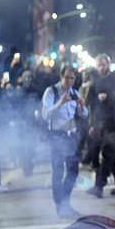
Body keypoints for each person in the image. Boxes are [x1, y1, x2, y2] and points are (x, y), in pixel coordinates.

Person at [41, 65, 88, 218]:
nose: (69, 81)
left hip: (71, 136)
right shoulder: (52, 92)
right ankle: (60, 206)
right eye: (66, 78)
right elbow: (45, 115)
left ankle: (65, 202)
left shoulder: (74, 92)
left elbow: (84, 115)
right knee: (58, 171)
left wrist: (81, 105)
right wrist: (60, 103)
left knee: (73, 171)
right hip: (56, 137)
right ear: (61, 77)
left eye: (72, 78)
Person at [86, 54, 115, 198]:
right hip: (103, 124)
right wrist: (93, 124)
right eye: (99, 65)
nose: (101, 67)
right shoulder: (96, 83)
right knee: (112, 157)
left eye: (103, 64)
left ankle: (99, 186)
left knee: (107, 153)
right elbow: (92, 104)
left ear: (108, 64)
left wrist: (108, 97)